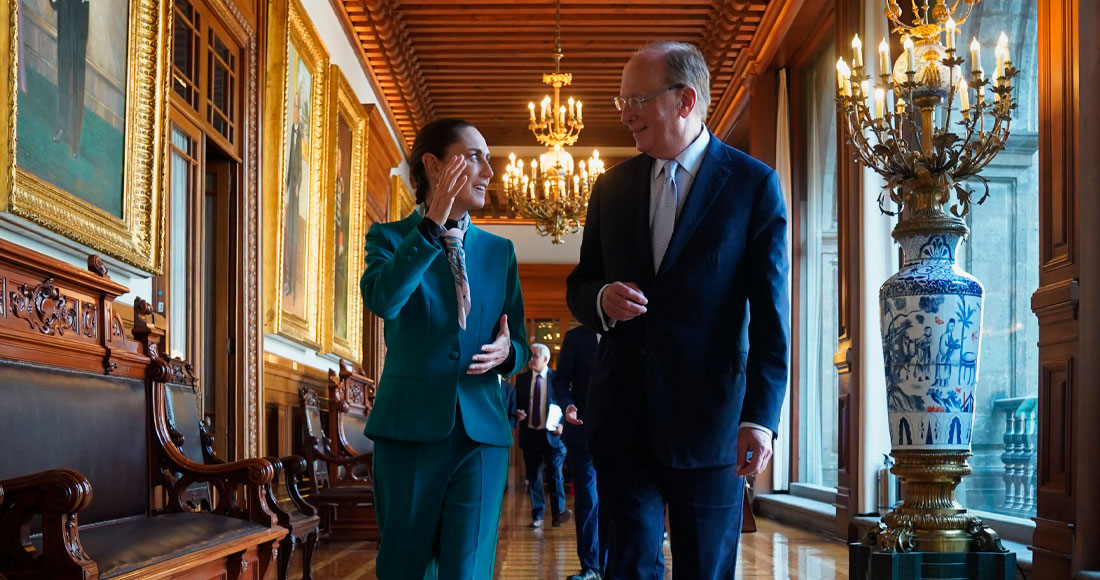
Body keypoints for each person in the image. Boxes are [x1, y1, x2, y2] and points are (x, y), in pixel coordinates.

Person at [565, 41, 790, 580]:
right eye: (620, 101)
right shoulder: (611, 188)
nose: (624, 114)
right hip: (622, 420)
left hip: (711, 425)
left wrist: (760, 417)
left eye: (636, 99)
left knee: (705, 570)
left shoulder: (753, 184)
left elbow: (772, 314)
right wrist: (600, 299)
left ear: (685, 100)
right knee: (629, 567)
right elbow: (580, 284)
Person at [361, 118, 530, 579]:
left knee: (468, 570)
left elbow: (519, 340)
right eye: (475, 156)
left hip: (482, 434)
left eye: (487, 159)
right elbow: (384, 300)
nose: (488, 171)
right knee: (405, 569)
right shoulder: (389, 239)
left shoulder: (500, 252)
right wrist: (432, 224)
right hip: (408, 430)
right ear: (434, 165)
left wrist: (507, 353)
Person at [552, 325, 607, 580]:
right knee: (589, 499)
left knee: (619, 500)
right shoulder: (576, 337)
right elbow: (561, 379)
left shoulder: (632, 330)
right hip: (582, 429)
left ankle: (613, 563)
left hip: (627, 433)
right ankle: (591, 567)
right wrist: (568, 405)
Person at [514, 343, 572, 529]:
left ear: (545, 359)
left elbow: (568, 404)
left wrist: (563, 424)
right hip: (530, 435)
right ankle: (537, 515)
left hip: (553, 436)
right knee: (534, 478)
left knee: (555, 474)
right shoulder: (521, 379)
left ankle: (558, 514)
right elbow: (516, 404)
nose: (530, 360)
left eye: (534, 356)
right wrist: (518, 413)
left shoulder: (557, 379)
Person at [50, 0, 91, 158]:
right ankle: (62, 127)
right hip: (65, 8)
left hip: (80, 10)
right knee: (63, 70)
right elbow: (54, 4)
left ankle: (75, 138)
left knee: (77, 80)